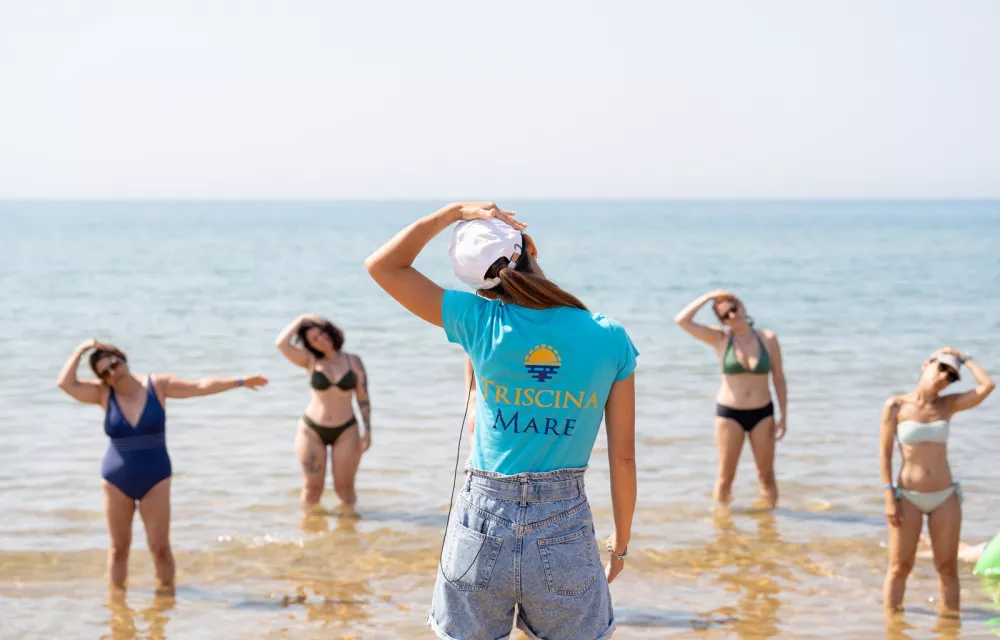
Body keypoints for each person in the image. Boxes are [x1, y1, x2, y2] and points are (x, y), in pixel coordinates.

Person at [366, 202, 638, 640]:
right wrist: (619, 546)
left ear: (481, 286)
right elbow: (623, 458)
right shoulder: (608, 336)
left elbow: (383, 266)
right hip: (564, 523)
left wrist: (452, 213)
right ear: (530, 246)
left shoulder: (478, 321)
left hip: (482, 519)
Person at [56, 339, 268, 594]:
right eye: (105, 372)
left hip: (156, 478)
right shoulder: (102, 393)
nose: (113, 373)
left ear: (123, 359)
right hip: (116, 480)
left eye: (114, 364)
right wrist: (81, 349)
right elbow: (65, 383)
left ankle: (165, 606)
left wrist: (241, 381)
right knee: (118, 549)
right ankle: (117, 610)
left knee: (160, 548)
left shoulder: (156, 386)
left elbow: (199, 386)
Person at [881, 348, 995, 614]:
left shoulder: (948, 404)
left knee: (947, 568)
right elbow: (884, 454)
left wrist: (965, 358)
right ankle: (893, 629)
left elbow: (988, 385)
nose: (944, 377)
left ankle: (949, 630)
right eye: (942, 368)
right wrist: (889, 495)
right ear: (926, 364)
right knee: (899, 568)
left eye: (951, 376)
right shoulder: (896, 405)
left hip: (945, 498)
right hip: (907, 496)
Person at [674, 290, 787, 507]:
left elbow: (779, 378)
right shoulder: (721, 338)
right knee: (725, 478)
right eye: (725, 315)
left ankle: (770, 529)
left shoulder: (768, 339)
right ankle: (723, 531)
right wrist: (709, 297)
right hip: (729, 414)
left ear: (742, 307)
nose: (732, 316)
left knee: (766, 476)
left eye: (734, 309)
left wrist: (784, 415)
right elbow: (682, 320)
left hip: (763, 413)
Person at [276, 314, 371, 510]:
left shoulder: (353, 361)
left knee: (345, 490)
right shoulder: (309, 360)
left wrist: (367, 429)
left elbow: (363, 397)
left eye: (321, 333)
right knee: (312, 490)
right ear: (310, 345)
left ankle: (348, 534)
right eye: (313, 339)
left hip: (346, 431)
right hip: (312, 431)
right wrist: (302, 319)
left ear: (329, 331)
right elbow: (281, 344)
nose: (320, 340)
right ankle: (310, 534)